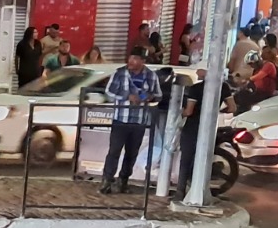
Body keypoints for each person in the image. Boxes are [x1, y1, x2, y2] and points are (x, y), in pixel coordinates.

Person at [100, 48, 162, 195]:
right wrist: (127, 96)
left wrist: (150, 97)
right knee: (114, 151)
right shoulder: (120, 73)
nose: (131, 61)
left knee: (132, 153)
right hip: (121, 118)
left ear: (143, 61)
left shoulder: (151, 76)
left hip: (139, 120)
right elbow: (109, 92)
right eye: (130, 58)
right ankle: (107, 181)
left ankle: (123, 181)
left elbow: (159, 95)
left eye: (135, 59)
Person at [177, 68, 233, 199]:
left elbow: (189, 111)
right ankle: (199, 188)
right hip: (210, 128)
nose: (197, 73)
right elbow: (232, 107)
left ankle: (180, 191)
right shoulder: (223, 87)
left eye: (199, 70)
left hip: (193, 127)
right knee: (204, 159)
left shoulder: (196, 88)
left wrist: (179, 112)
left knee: (186, 160)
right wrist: (217, 112)